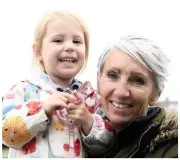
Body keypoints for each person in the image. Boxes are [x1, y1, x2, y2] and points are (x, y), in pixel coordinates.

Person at [2, 11, 113, 158]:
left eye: (77, 41)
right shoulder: (22, 90)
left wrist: (88, 121)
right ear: (38, 51)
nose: (69, 47)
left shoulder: (92, 97)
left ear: (86, 53)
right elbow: (7, 136)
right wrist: (42, 110)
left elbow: (107, 148)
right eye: (58, 40)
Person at [89, 35, 178, 158]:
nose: (121, 92)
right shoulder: (74, 137)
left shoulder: (172, 150)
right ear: (98, 81)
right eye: (112, 75)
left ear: (156, 94)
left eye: (138, 80)